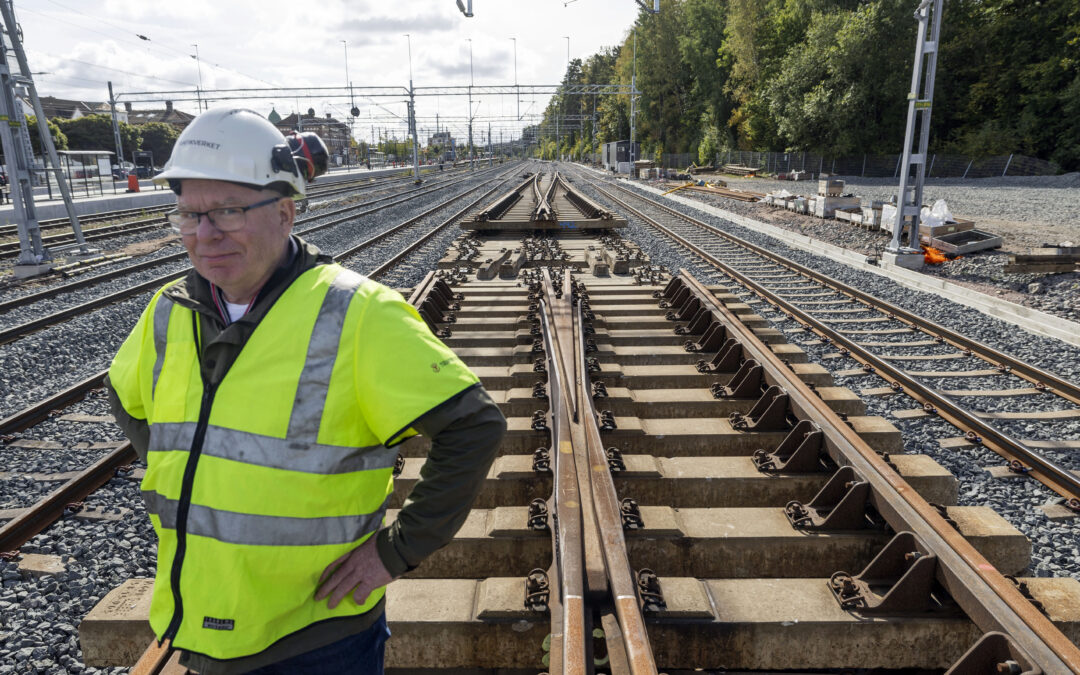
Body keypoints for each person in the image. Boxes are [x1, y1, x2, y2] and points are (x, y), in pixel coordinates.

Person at [105, 107, 506, 674]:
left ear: (286, 212)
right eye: (189, 214)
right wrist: (174, 470)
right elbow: (124, 397)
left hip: (315, 635)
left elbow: (474, 426)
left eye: (228, 211)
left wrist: (397, 551)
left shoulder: (359, 315)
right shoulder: (169, 311)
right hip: (199, 620)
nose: (204, 233)